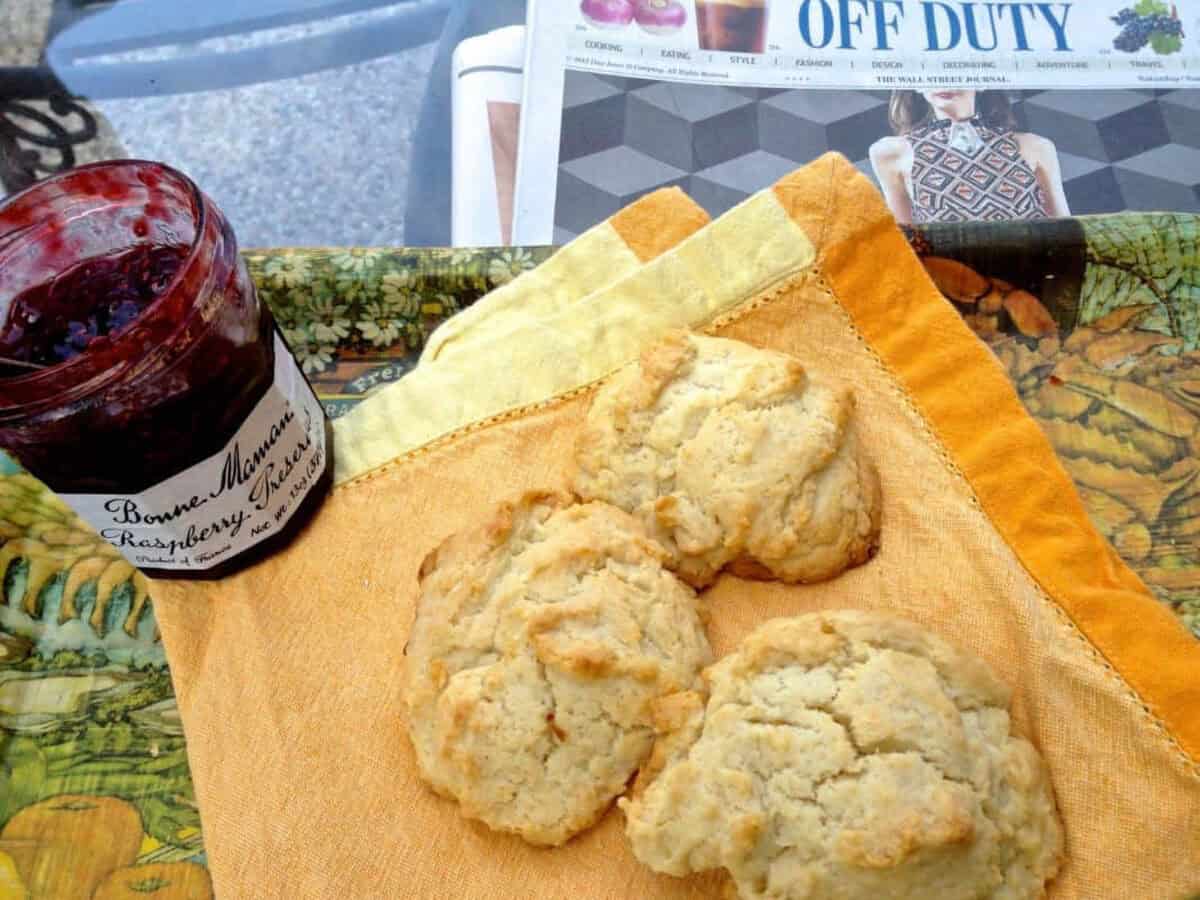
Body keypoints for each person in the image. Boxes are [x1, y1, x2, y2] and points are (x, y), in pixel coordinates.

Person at [869, 90, 1070, 224]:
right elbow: (902, 241)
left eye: (953, 67)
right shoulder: (890, 153)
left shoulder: (1035, 146)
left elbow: (1067, 233)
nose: (942, 81)